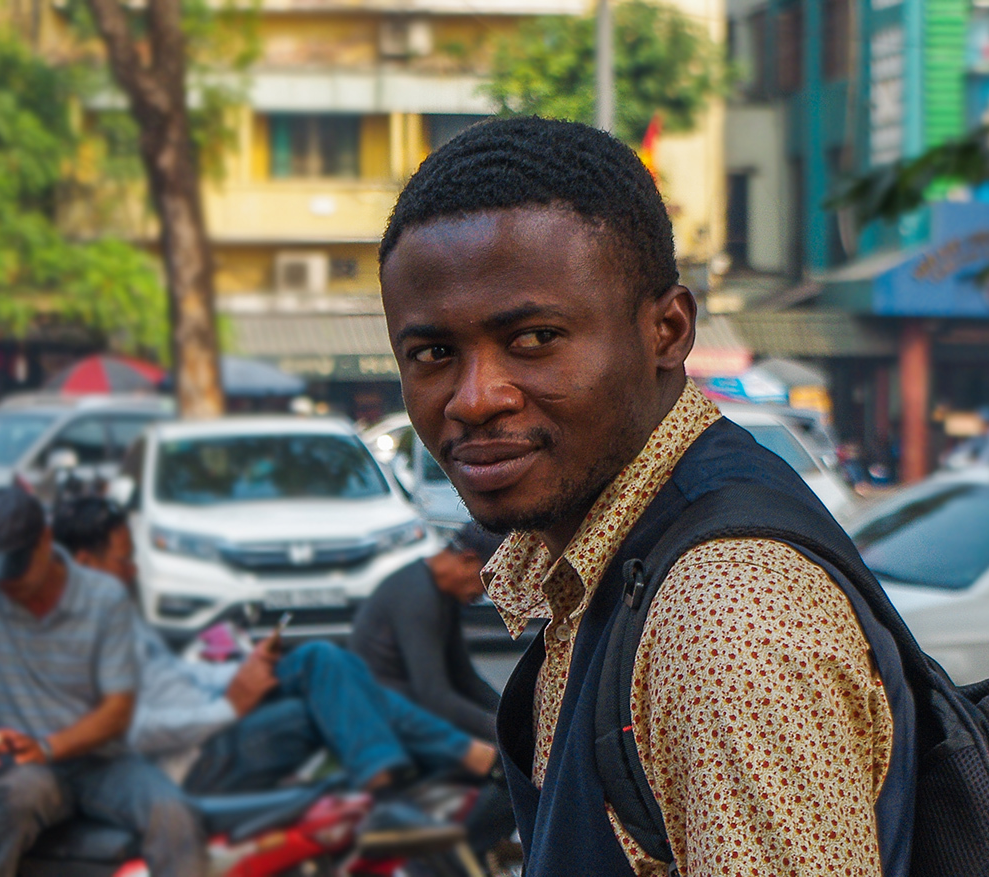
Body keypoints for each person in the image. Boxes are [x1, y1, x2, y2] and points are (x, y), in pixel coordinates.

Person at [378, 116, 903, 877]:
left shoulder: (724, 616)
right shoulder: (611, 560)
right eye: (432, 353)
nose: (475, 397)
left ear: (668, 329)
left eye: (533, 338)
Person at [49, 495, 498, 794]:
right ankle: (408, 762)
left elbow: (179, 677)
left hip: (218, 708)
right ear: (85, 562)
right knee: (329, 682)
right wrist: (228, 706)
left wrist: (237, 672)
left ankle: (389, 761)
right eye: (122, 560)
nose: (132, 571)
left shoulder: (114, 616)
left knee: (322, 658)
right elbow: (140, 729)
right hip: (195, 751)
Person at [0, 487, 204, 877]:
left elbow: (117, 709)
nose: (5, 583)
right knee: (17, 794)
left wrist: (49, 747)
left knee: (174, 813)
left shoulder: (103, 598)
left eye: (15, 567)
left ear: (45, 540)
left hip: (103, 762)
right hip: (25, 768)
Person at [350, 522, 503, 739]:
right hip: (382, 721)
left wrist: (509, 717)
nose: (486, 595)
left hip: (411, 711)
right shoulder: (417, 597)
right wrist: (504, 734)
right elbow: (434, 697)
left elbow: (465, 677)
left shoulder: (443, 595)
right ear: (467, 560)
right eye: (489, 582)